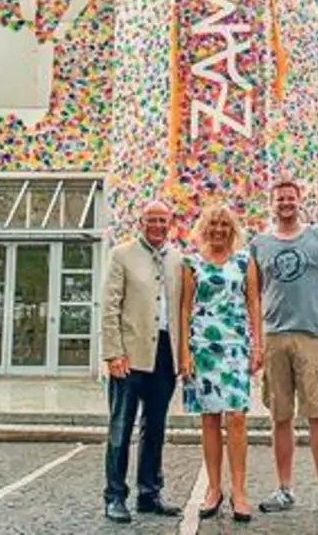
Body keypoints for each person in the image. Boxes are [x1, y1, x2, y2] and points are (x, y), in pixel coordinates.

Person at [251, 179, 318, 518]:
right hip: (275, 337)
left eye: (291, 198)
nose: (286, 203)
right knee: (280, 416)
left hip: (310, 336)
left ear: (299, 200)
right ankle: (285, 488)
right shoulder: (259, 243)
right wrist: (257, 340)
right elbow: (254, 293)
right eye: (280, 199)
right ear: (272, 204)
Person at [178, 202, 263, 523]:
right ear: (204, 228)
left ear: (232, 230)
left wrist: (258, 345)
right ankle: (214, 489)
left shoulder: (244, 261)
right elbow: (186, 308)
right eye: (213, 225)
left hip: (235, 348)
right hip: (202, 349)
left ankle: (239, 491)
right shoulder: (192, 263)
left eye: (224, 225)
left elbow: (253, 301)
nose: (218, 230)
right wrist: (184, 354)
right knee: (210, 419)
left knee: (237, 418)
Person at [99, 200, 184, 524]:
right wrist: (113, 352)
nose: (158, 226)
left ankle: (149, 493)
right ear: (141, 222)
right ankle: (115, 496)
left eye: (163, 220)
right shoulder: (122, 255)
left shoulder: (177, 258)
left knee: (155, 428)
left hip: (164, 354)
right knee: (121, 428)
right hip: (129, 354)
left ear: (170, 223)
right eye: (152, 220)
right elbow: (109, 307)